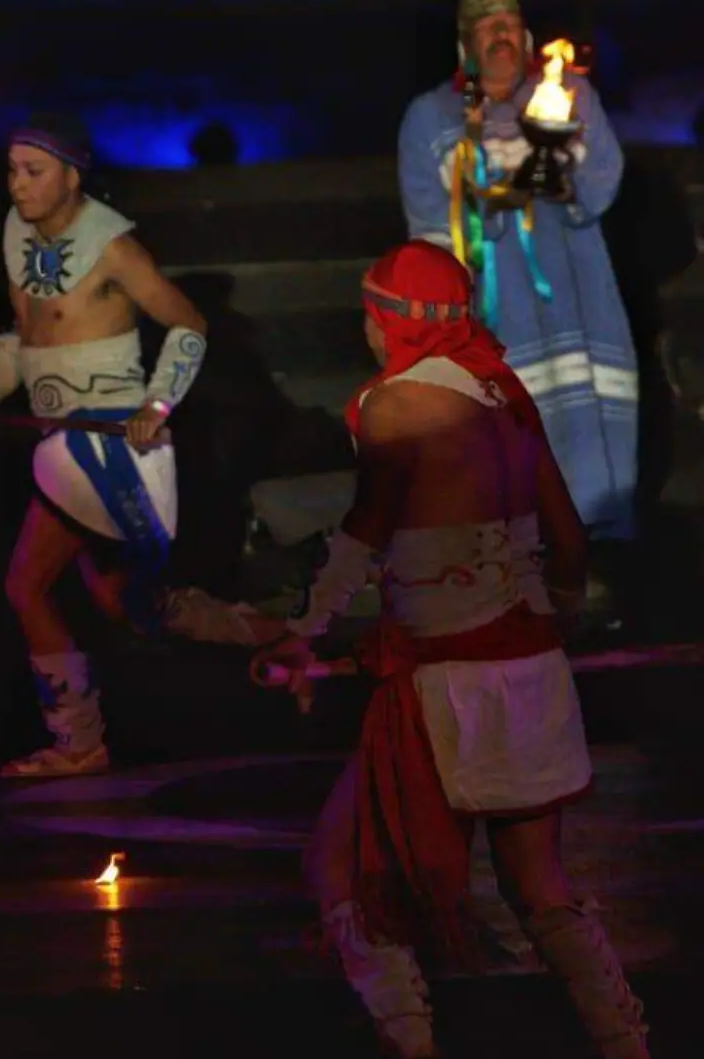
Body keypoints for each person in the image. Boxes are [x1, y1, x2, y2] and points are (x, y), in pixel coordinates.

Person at [251, 241, 648, 1059]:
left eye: (371, 312)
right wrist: (555, 614)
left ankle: (415, 1047)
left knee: (343, 868)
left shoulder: (394, 406)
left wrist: (307, 627)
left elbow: (368, 528)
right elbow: (567, 537)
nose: (365, 327)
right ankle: (627, 1045)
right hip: (531, 671)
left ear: (390, 321)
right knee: (542, 890)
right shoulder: (501, 391)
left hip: (445, 685)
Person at [0, 112, 210, 779]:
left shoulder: (115, 248)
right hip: (61, 442)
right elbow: (25, 338)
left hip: (110, 439)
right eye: (11, 171)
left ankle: (81, 742)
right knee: (110, 601)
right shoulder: (16, 235)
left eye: (32, 172)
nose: (17, 186)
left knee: (48, 589)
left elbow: (189, 325)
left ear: (71, 176)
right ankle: (277, 639)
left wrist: (157, 404)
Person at [398, 0, 638, 559]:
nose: (501, 35)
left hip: (581, 300)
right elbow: (430, 226)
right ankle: (522, 566)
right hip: (497, 311)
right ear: (466, 44)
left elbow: (603, 176)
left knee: (591, 426)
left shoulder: (569, 95)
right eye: (487, 27)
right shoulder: (431, 118)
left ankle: (600, 551)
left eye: (511, 23)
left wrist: (566, 188)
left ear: (527, 37)